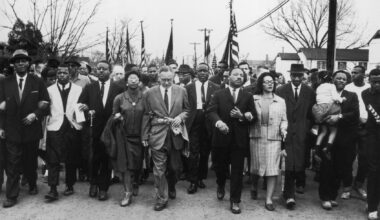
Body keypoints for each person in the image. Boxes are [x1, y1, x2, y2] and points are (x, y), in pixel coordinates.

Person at [0, 49, 50, 208]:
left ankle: (32, 183)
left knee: (29, 161)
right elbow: (1, 107)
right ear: (13, 64)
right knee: (12, 163)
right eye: (17, 61)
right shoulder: (5, 82)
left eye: (24, 60)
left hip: (31, 129)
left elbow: (46, 104)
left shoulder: (37, 81)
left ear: (29, 63)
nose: (21, 63)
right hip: (12, 129)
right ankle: (12, 196)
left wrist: (34, 115)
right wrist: (1, 127)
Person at [207, 68, 256, 214]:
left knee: (237, 171)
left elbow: (253, 116)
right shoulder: (218, 94)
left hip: (239, 140)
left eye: (241, 75)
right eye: (236, 74)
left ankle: (235, 200)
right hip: (221, 139)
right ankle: (221, 184)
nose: (239, 77)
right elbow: (210, 111)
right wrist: (219, 123)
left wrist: (244, 115)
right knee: (220, 167)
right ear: (228, 77)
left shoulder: (248, 96)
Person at [141, 66, 190, 211]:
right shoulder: (150, 93)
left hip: (175, 134)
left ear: (173, 77)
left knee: (175, 168)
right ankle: (162, 197)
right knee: (158, 169)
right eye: (164, 80)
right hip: (157, 134)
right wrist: (144, 135)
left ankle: (171, 186)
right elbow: (146, 114)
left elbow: (187, 110)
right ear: (158, 78)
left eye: (169, 79)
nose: (167, 82)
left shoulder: (181, 90)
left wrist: (180, 118)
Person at [78, 60, 124, 201]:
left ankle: (103, 187)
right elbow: (80, 105)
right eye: (98, 69)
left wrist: (118, 117)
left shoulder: (117, 88)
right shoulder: (90, 87)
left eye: (104, 69)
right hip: (93, 128)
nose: (101, 71)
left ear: (109, 71)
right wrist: (86, 109)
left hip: (110, 129)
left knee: (106, 158)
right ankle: (93, 183)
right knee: (93, 157)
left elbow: (122, 109)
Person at [316, 70, 359, 210]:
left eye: (344, 79)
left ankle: (333, 196)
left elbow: (354, 114)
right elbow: (316, 109)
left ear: (347, 81)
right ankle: (325, 197)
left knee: (339, 169)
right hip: (327, 137)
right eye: (338, 78)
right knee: (326, 168)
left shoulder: (351, 96)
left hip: (343, 138)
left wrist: (339, 117)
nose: (341, 80)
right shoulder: (326, 93)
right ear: (333, 79)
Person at [276, 64, 315, 210]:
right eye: (294, 75)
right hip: (285, 131)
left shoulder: (309, 91)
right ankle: (289, 195)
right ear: (290, 75)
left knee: (299, 163)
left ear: (304, 75)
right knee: (288, 163)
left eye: (300, 75)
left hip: (301, 133)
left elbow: (312, 113)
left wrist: (306, 127)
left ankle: (297, 186)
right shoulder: (281, 90)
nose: (297, 78)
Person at [44, 64, 83, 202]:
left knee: (71, 158)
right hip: (55, 127)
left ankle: (70, 185)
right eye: (59, 73)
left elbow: (82, 105)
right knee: (53, 158)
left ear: (70, 74)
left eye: (65, 73)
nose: (61, 75)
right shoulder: (49, 90)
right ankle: (53, 189)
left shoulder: (78, 89)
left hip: (72, 126)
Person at [249, 72, 287, 211]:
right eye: (266, 81)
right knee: (255, 166)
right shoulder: (253, 99)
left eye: (272, 81)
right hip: (256, 136)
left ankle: (269, 199)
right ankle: (254, 186)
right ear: (261, 84)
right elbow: (249, 116)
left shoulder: (281, 101)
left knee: (272, 169)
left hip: (274, 138)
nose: (270, 84)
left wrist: (284, 130)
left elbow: (284, 120)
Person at [109, 70, 144, 206]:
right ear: (126, 81)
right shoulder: (119, 98)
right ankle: (127, 192)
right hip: (124, 136)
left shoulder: (145, 97)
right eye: (130, 78)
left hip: (141, 137)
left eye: (136, 78)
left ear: (139, 81)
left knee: (138, 164)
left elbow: (148, 115)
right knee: (127, 166)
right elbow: (113, 115)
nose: (133, 81)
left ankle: (135, 183)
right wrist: (117, 117)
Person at [185, 63, 220, 194]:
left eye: (205, 71)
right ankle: (192, 181)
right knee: (194, 152)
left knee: (205, 152)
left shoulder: (216, 87)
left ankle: (201, 177)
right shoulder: (189, 88)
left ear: (209, 72)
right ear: (196, 73)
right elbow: (186, 105)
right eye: (200, 71)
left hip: (209, 122)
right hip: (195, 121)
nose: (203, 73)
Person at [344, 65, 370, 200]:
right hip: (351, 126)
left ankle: (359, 184)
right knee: (349, 157)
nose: (353, 74)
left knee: (364, 157)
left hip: (367, 127)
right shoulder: (348, 88)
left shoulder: (369, 88)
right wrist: (357, 117)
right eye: (352, 72)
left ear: (363, 74)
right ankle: (347, 185)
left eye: (356, 73)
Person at [312, 71, 345, 159]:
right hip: (330, 109)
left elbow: (318, 98)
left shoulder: (318, 87)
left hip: (319, 109)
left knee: (323, 131)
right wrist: (341, 99)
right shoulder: (331, 86)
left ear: (320, 79)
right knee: (333, 130)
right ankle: (327, 148)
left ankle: (316, 147)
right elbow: (335, 97)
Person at [362, 69, 380, 220]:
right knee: (374, 171)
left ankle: (374, 201)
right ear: (369, 81)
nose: (377, 84)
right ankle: (372, 206)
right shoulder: (365, 94)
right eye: (374, 81)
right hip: (372, 137)